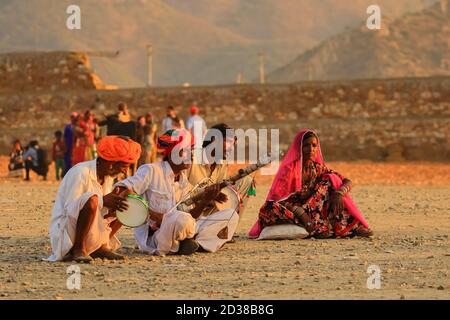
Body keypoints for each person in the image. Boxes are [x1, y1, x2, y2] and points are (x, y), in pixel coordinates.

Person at [115, 129, 238, 256]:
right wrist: (153, 215)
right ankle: (187, 243)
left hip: (180, 227)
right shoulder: (151, 170)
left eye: (192, 150)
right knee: (181, 219)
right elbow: (123, 189)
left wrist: (205, 200)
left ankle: (196, 245)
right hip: (156, 237)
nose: (191, 154)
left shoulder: (184, 180)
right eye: (186, 150)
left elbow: (191, 216)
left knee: (230, 215)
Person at [249, 129, 373, 239]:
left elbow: (347, 181)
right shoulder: (289, 170)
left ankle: (348, 227)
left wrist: (339, 193)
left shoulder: (317, 168)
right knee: (268, 208)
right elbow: (278, 200)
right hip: (292, 210)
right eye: (307, 145)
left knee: (330, 180)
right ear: (299, 147)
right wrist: (301, 213)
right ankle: (317, 227)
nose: (311, 149)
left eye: (314, 145)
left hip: (314, 211)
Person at [46, 136, 141, 262]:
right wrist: (103, 201)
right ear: (111, 164)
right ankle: (78, 249)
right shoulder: (81, 172)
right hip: (67, 234)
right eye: (124, 166)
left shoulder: (107, 177)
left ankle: (100, 248)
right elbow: (71, 210)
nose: (125, 171)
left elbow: (100, 212)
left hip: (90, 231)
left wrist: (112, 208)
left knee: (126, 198)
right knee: (92, 199)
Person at [188, 123, 255, 224]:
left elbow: (219, 192)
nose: (231, 148)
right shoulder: (191, 159)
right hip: (188, 213)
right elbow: (180, 193)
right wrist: (207, 195)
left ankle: (227, 229)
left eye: (233, 144)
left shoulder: (223, 163)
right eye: (228, 142)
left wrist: (217, 194)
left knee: (246, 181)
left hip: (208, 211)